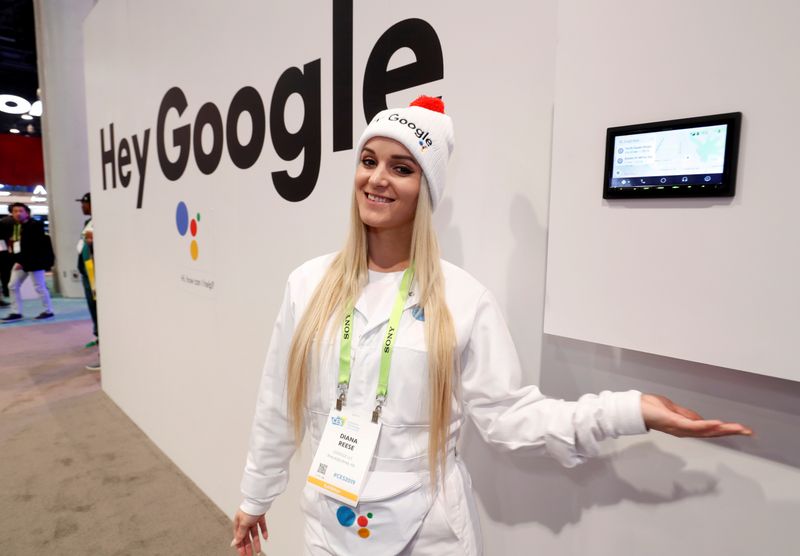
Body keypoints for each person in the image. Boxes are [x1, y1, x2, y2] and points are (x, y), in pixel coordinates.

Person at [231, 97, 752, 556]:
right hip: (329, 526)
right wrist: (255, 497)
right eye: (368, 162)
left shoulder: (463, 299)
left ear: (426, 188)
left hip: (430, 533)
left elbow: (512, 417)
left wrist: (629, 411)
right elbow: (277, 402)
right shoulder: (308, 284)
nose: (377, 179)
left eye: (401, 168)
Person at [2, 203, 55, 322]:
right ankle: (16, 312)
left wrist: (23, 261)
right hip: (21, 261)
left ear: (27, 212)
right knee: (12, 285)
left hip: (35, 262)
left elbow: (34, 247)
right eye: (15, 211)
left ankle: (48, 310)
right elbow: (17, 244)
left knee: (39, 286)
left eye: (21, 211)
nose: (18, 213)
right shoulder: (16, 227)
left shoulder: (35, 225)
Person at [76, 193, 100, 358]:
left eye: (85, 203)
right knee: (92, 306)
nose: (82, 206)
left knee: (98, 306)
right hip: (86, 270)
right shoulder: (87, 222)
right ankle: (98, 335)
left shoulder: (102, 221)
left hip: (96, 272)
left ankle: (104, 341)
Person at [0, 213, 13, 306]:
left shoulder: (3, 223)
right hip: (4, 252)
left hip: (3, 251)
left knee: (5, 274)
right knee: (5, 274)